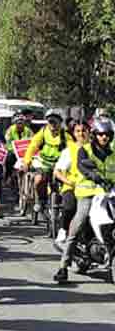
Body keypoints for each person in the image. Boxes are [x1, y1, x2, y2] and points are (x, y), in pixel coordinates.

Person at [54, 119, 115, 283]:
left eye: (108, 134)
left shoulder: (113, 154)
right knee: (78, 223)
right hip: (87, 193)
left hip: (108, 193)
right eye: (101, 134)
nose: (104, 137)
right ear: (95, 135)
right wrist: (94, 176)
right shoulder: (85, 150)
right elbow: (84, 167)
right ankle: (63, 267)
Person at [22, 109, 72, 213]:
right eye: (50, 121)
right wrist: (27, 160)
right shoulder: (43, 132)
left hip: (59, 164)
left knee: (66, 184)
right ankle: (41, 200)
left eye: (55, 121)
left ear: (60, 122)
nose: (53, 124)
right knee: (39, 180)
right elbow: (32, 146)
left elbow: (73, 150)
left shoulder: (66, 136)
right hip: (44, 162)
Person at [53, 121, 90, 245]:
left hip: (92, 187)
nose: (81, 133)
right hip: (72, 186)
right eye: (78, 131)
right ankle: (63, 229)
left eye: (84, 130)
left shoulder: (96, 149)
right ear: (74, 133)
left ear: (89, 131)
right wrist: (69, 182)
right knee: (70, 207)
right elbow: (57, 172)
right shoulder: (69, 150)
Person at [4, 113, 33, 183]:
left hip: (25, 152)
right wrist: (14, 151)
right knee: (9, 157)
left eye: (22, 122)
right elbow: (7, 142)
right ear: (15, 123)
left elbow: (32, 141)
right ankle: (9, 174)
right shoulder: (10, 130)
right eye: (18, 122)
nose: (20, 124)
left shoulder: (28, 131)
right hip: (13, 152)